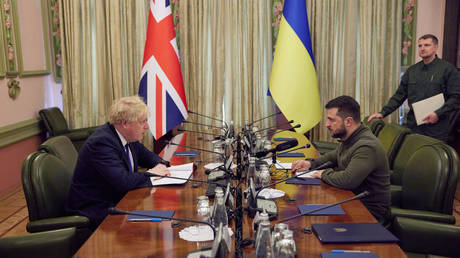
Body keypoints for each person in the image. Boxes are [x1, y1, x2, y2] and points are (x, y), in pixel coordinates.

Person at [66, 95, 171, 229]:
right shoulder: (101, 143)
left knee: (161, 218)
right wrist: (152, 173)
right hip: (95, 209)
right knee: (152, 227)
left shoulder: (128, 137)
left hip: (117, 200)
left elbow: (147, 156)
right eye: (142, 122)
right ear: (125, 123)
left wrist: (161, 164)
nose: (147, 126)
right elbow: (123, 181)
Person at [292, 96, 391, 224]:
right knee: (303, 212)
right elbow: (334, 156)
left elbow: (348, 180)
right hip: (350, 200)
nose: (327, 124)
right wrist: (310, 163)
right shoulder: (351, 137)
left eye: (331, 120)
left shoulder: (366, 146)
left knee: (309, 223)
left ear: (348, 121)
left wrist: (323, 173)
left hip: (368, 213)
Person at [368, 34, 460, 141]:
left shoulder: (448, 69)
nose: (422, 48)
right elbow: (399, 95)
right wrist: (382, 113)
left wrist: (437, 114)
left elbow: (456, 97)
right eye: (420, 46)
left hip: (436, 128)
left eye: (427, 45)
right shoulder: (412, 71)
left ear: (435, 47)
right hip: (414, 126)